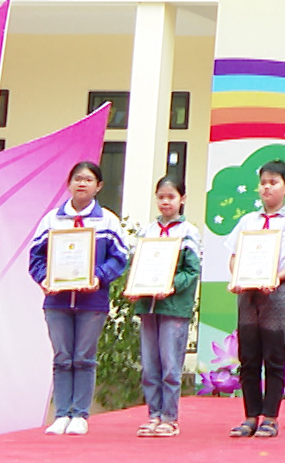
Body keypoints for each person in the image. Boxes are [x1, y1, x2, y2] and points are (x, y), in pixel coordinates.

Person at [28, 161, 130, 436]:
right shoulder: (52, 220)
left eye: (88, 179)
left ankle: (80, 414)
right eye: (77, 178)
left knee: (84, 357)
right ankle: (61, 414)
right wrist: (44, 279)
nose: (82, 183)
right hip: (57, 301)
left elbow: (120, 258)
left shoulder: (107, 221)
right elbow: (35, 256)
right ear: (68, 183)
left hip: (92, 302)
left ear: (99, 186)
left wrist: (98, 277)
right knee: (62, 357)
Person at [227, 159, 285, 439]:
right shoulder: (248, 221)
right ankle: (250, 416)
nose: (267, 188)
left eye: (273, 183)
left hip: (278, 295)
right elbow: (234, 255)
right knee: (248, 357)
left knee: (274, 357)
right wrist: (237, 276)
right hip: (248, 295)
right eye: (263, 182)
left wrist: (277, 277)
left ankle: (271, 417)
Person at [130, 175, 200, 438]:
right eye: (161, 197)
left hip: (173, 307)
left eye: (171, 197)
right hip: (148, 306)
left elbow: (192, 271)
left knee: (170, 365)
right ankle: (153, 415)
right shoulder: (147, 232)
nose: (165, 202)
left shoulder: (188, 232)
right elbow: (135, 266)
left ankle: (170, 418)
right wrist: (134, 287)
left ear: (182, 199)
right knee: (150, 365)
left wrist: (171, 285)